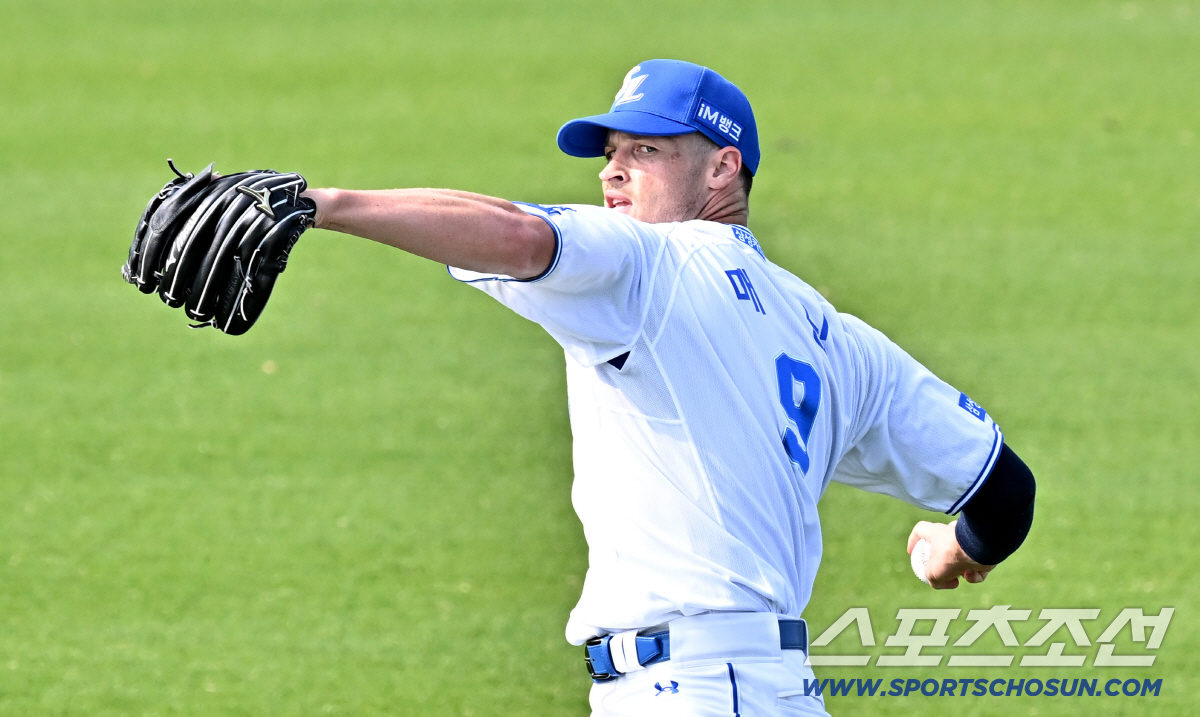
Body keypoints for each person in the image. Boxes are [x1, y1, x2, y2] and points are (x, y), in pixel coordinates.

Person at [301, 59, 1036, 717]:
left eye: (645, 151)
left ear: (722, 168)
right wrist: (959, 548)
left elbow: (522, 238)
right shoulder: (838, 337)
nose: (612, 172)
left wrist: (326, 205)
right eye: (612, 153)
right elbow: (1005, 489)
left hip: (691, 693)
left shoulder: (650, 266)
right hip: (758, 689)